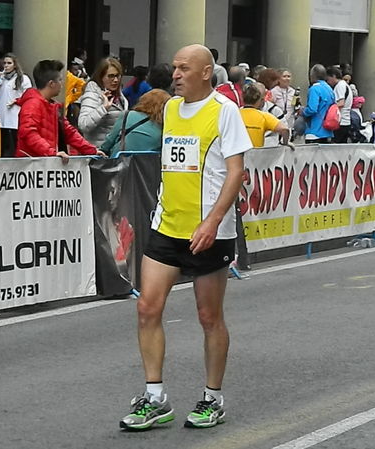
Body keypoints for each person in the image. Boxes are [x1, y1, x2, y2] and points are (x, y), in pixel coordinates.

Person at [119, 44, 252, 431]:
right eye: (174, 68)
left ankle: (213, 398)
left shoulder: (225, 112)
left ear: (206, 72)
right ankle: (155, 397)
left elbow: (236, 173)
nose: (175, 74)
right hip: (167, 225)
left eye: (184, 68)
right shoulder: (171, 109)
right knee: (147, 308)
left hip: (210, 231)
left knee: (208, 316)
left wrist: (212, 221)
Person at [15, 59, 106, 160]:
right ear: (51, 83)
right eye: (60, 80)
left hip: (43, 163)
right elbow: (28, 133)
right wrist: (51, 153)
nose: (62, 84)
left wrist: (92, 150)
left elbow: (69, 132)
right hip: (33, 166)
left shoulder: (52, 106)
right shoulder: (33, 104)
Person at [101, 89, 171, 156]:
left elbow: (108, 143)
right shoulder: (164, 127)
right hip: (148, 166)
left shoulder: (127, 115)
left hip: (118, 164)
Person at [78, 57, 129, 147]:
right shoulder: (93, 94)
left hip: (113, 152)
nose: (115, 80)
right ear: (101, 77)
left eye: (117, 75)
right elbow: (84, 125)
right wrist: (103, 108)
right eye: (111, 76)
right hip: (97, 152)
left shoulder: (120, 97)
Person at [0, 52, 32, 157]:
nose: (6, 65)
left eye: (9, 63)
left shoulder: (23, 79)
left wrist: (17, 101)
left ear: (15, 65)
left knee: (13, 146)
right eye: (5, 63)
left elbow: (29, 96)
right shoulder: (1, 78)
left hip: (14, 118)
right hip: (1, 117)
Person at [241, 82, 291, 148]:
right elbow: (285, 129)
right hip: (259, 152)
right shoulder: (264, 116)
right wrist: (286, 143)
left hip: (266, 149)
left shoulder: (236, 113)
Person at [302, 64, 335, 144]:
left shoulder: (314, 89)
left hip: (314, 131)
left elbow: (312, 109)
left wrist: (303, 111)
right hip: (327, 131)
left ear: (312, 75)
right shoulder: (329, 89)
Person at [326, 66, 353, 143]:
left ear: (333, 76)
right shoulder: (344, 85)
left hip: (340, 122)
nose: (328, 82)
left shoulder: (340, 85)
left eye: (328, 79)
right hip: (345, 122)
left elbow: (341, 103)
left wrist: (329, 108)